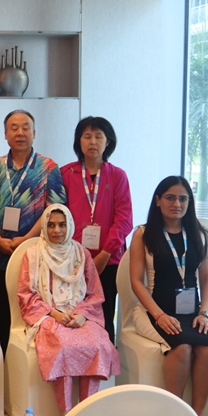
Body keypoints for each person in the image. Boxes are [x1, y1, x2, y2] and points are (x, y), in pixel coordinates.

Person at [129, 176, 208, 416]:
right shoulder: (143, 234)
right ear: (158, 201)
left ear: (189, 203)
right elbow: (136, 282)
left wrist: (204, 313)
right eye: (170, 197)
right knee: (182, 348)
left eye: (183, 199)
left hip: (193, 312)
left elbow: (207, 279)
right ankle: (175, 415)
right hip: (155, 310)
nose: (176, 204)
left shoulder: (200, 235)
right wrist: (159, 315)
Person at [16, 205, 119, 413]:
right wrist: (54, 313)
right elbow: (26, 294)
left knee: (98, 344)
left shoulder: (81, 254)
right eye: (51, 225)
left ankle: (87, 411)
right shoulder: (33, 255)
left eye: (62, 225)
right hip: (49, 316)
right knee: (63, 346)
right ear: (44, 227)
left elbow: (95, 293)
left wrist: (82, 315)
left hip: (80, 315)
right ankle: (65, 414)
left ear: (70, 226)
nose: (57, 230)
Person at [0, 110, 67, 353]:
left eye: (25, 127)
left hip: (35, 252)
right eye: (14, 128)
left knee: (33, 306)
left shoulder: (48, 168)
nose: (20, 133)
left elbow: (54, 210)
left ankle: (31, 358)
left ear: (34, 133)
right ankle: (5, 360)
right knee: (2, 310)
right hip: (0, 251)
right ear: (5, 134)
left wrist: (26, 238)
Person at [61, 116, 132, 343]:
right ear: (78, 141)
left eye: (98, 136)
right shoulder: (65, 174)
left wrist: (105, 254)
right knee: (72, 312)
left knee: (104, 314)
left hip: (108, 261)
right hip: (72, 260)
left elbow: (124, 219)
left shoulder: (117, 175)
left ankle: (106, 362)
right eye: (87, 136)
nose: (92, 142)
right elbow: (58, 216)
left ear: (107, 142)